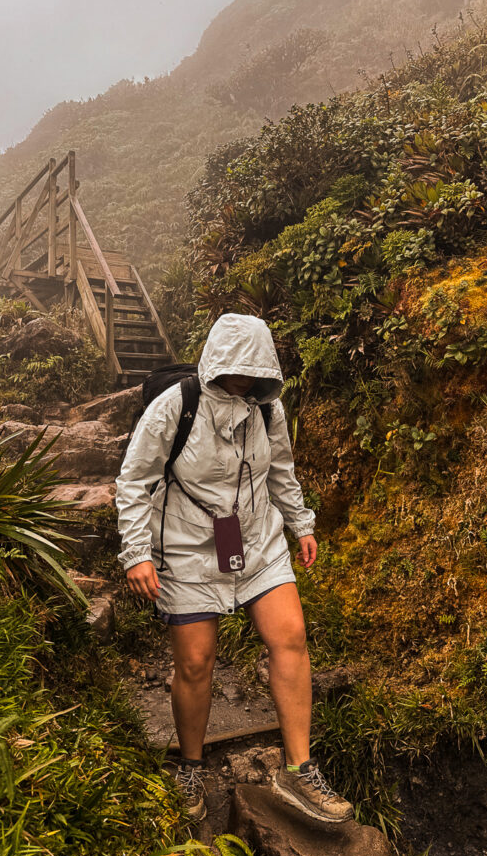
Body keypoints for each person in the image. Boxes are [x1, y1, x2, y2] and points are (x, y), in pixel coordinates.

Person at [115, 312, 353, 824]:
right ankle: (191, 766)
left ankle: (299, 770)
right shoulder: (176, 406)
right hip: (186, 544)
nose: (244, 378)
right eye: (236, 367)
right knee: (196, 663)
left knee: (290, 635)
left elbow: (282, 469)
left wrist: (301, 523)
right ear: (216, 360)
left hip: (256, 538)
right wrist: (136, 553)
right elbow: (135, 481)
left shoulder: (268, 409)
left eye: (255, 368)